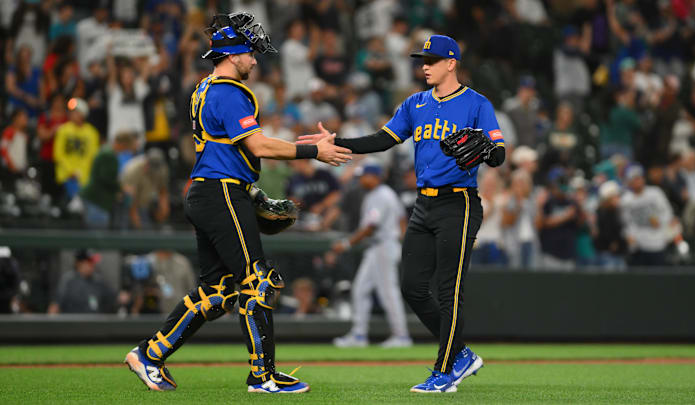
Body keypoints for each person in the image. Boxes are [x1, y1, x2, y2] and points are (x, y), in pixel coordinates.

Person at [123, 12, 350, 394]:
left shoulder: (204, 87)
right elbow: (258, 145)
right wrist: (314, 151)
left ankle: (149, 354)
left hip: (211, 191)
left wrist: (249, 190)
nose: (255, 60)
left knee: (218, 291)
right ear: (233, 54)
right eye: (251, 53)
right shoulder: (229, 92)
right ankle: (263, 377)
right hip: (221, 192)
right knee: (258, 282)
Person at [299, 34, 505, 393]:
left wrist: (488, 149)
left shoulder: (476, 103)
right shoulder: (415, 103)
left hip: (459, 203)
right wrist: (338, 143)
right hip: (423, 205)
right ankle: (461, 355)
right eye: (422, 59)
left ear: (451, 63)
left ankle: (444, 373)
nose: (424, 65)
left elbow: (499, 155)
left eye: (432, 60)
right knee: (411, 286)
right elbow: (383, 139)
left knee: (448, 290)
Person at [330, 162, 412, 348]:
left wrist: (346, 243)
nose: (362, 180)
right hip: (379, 247)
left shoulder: (380, 195)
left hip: (383, 246)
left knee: (388, 293)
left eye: (365, 176)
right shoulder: (385, 194)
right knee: (360, 290)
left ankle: (401, 336)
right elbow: (401, 219)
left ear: (375, 177)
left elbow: (370, 227)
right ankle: (359, 335)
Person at [47, 249, 116, 314]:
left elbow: (114, 297)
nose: (92, 266)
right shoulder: (68, 281)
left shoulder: (98, 280)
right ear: (79, 263)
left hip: (94, 324)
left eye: (92, 263)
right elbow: (55, 306)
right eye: (89, 263)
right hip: (73, 324)